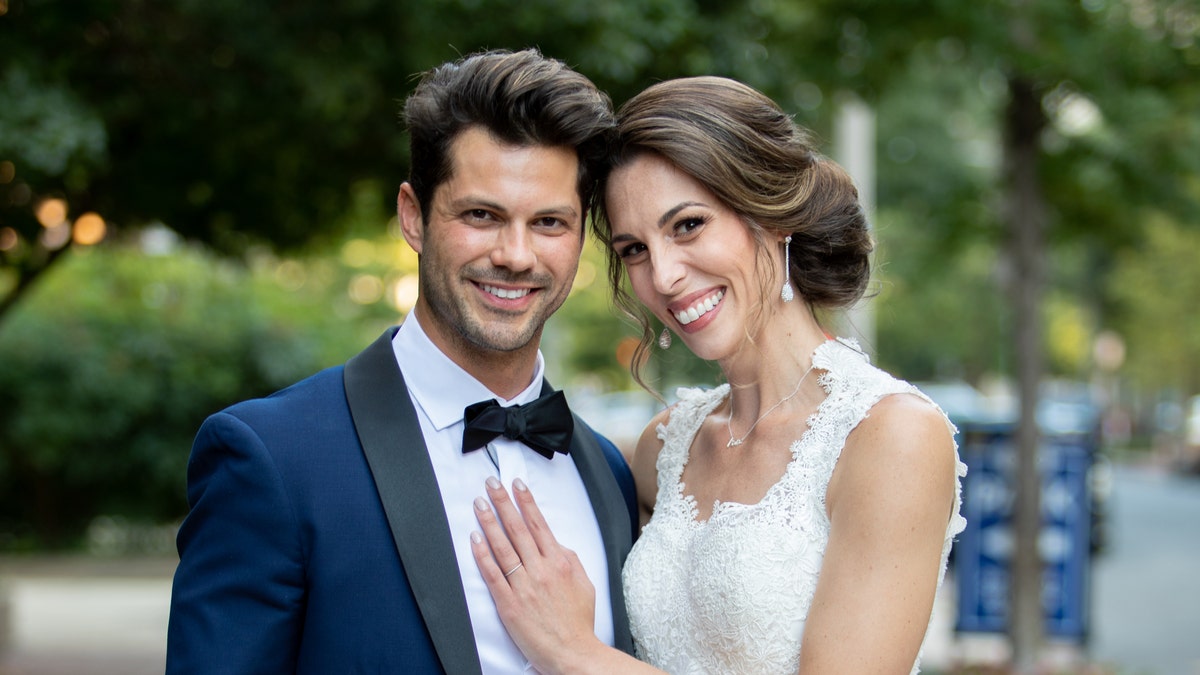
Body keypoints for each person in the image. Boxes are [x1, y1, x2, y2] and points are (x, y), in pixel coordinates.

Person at [469, 76, 968, 674]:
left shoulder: (891, 438)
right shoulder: (664, 447)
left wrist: (575, 653)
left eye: (687, 225)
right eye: (634, 249)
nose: (665, 275)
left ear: (772, 212)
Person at [166, 48, 639, 674]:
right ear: (413, 217)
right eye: (481, 215)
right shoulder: (272, 457)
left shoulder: (606, 469)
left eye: (549, 222)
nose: (516, 255)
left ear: (581, 236)